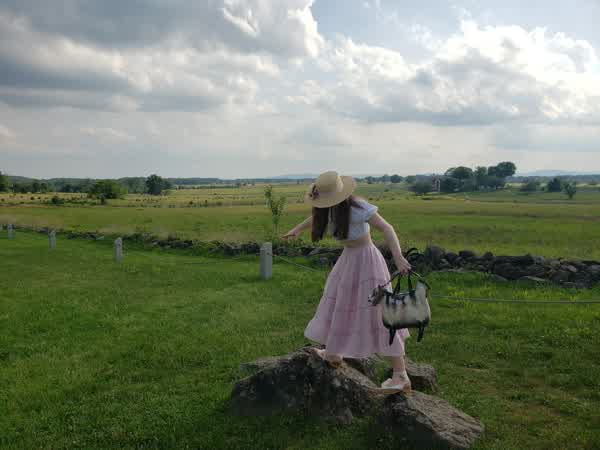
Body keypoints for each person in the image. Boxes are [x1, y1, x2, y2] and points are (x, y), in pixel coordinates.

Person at [281, 170, 413, 393]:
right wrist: (297, 229)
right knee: (339, 305)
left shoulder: (359, 207)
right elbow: (316, 219)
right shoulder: (327, 209)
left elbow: (386, 228)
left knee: (380, 314)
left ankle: (401, 375)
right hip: (348, 260)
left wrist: (399, 258)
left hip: (368, 262)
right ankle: (334, 352)